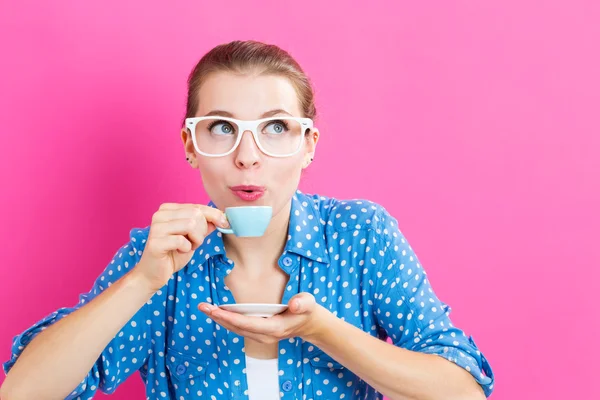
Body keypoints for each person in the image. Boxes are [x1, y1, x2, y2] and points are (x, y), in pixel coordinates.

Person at [0, 40, 494, 400]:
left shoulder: (361, 236)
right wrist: (141, 282)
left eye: (276, 128)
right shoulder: (158, 257)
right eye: (221, 128)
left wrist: (320, 330)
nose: (248, 157)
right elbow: (23, 393)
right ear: (192, 146)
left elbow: (461, 392)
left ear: (308, 146)